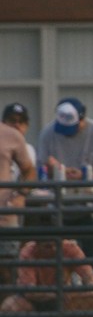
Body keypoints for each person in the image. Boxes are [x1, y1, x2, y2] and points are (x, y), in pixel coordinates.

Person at [36, 98, 93, 273]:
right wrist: (52, 167)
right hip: (59, 203)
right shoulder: (48, 132)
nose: (67, 134)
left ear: (82, 120)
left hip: (91, 203)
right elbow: (42, 165)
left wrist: (84, 175)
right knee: (57, 253)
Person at [0, 238, 93, 313]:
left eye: (56, 245)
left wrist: (86, 292)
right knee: (9, 307)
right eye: (48, 246)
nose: (54, 249)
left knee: (91, 304)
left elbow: (89, 277)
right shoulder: (28, 252)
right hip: (36, 298)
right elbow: (30, 292)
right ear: (37, 245)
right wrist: (57, 293)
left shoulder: (70, 248)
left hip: (65, 296)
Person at [0, 106, 35, 285]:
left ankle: (9, 311)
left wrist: (21, 194)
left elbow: (29, 170)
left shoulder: (12, 136)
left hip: (4, 215)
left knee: (8, 271)